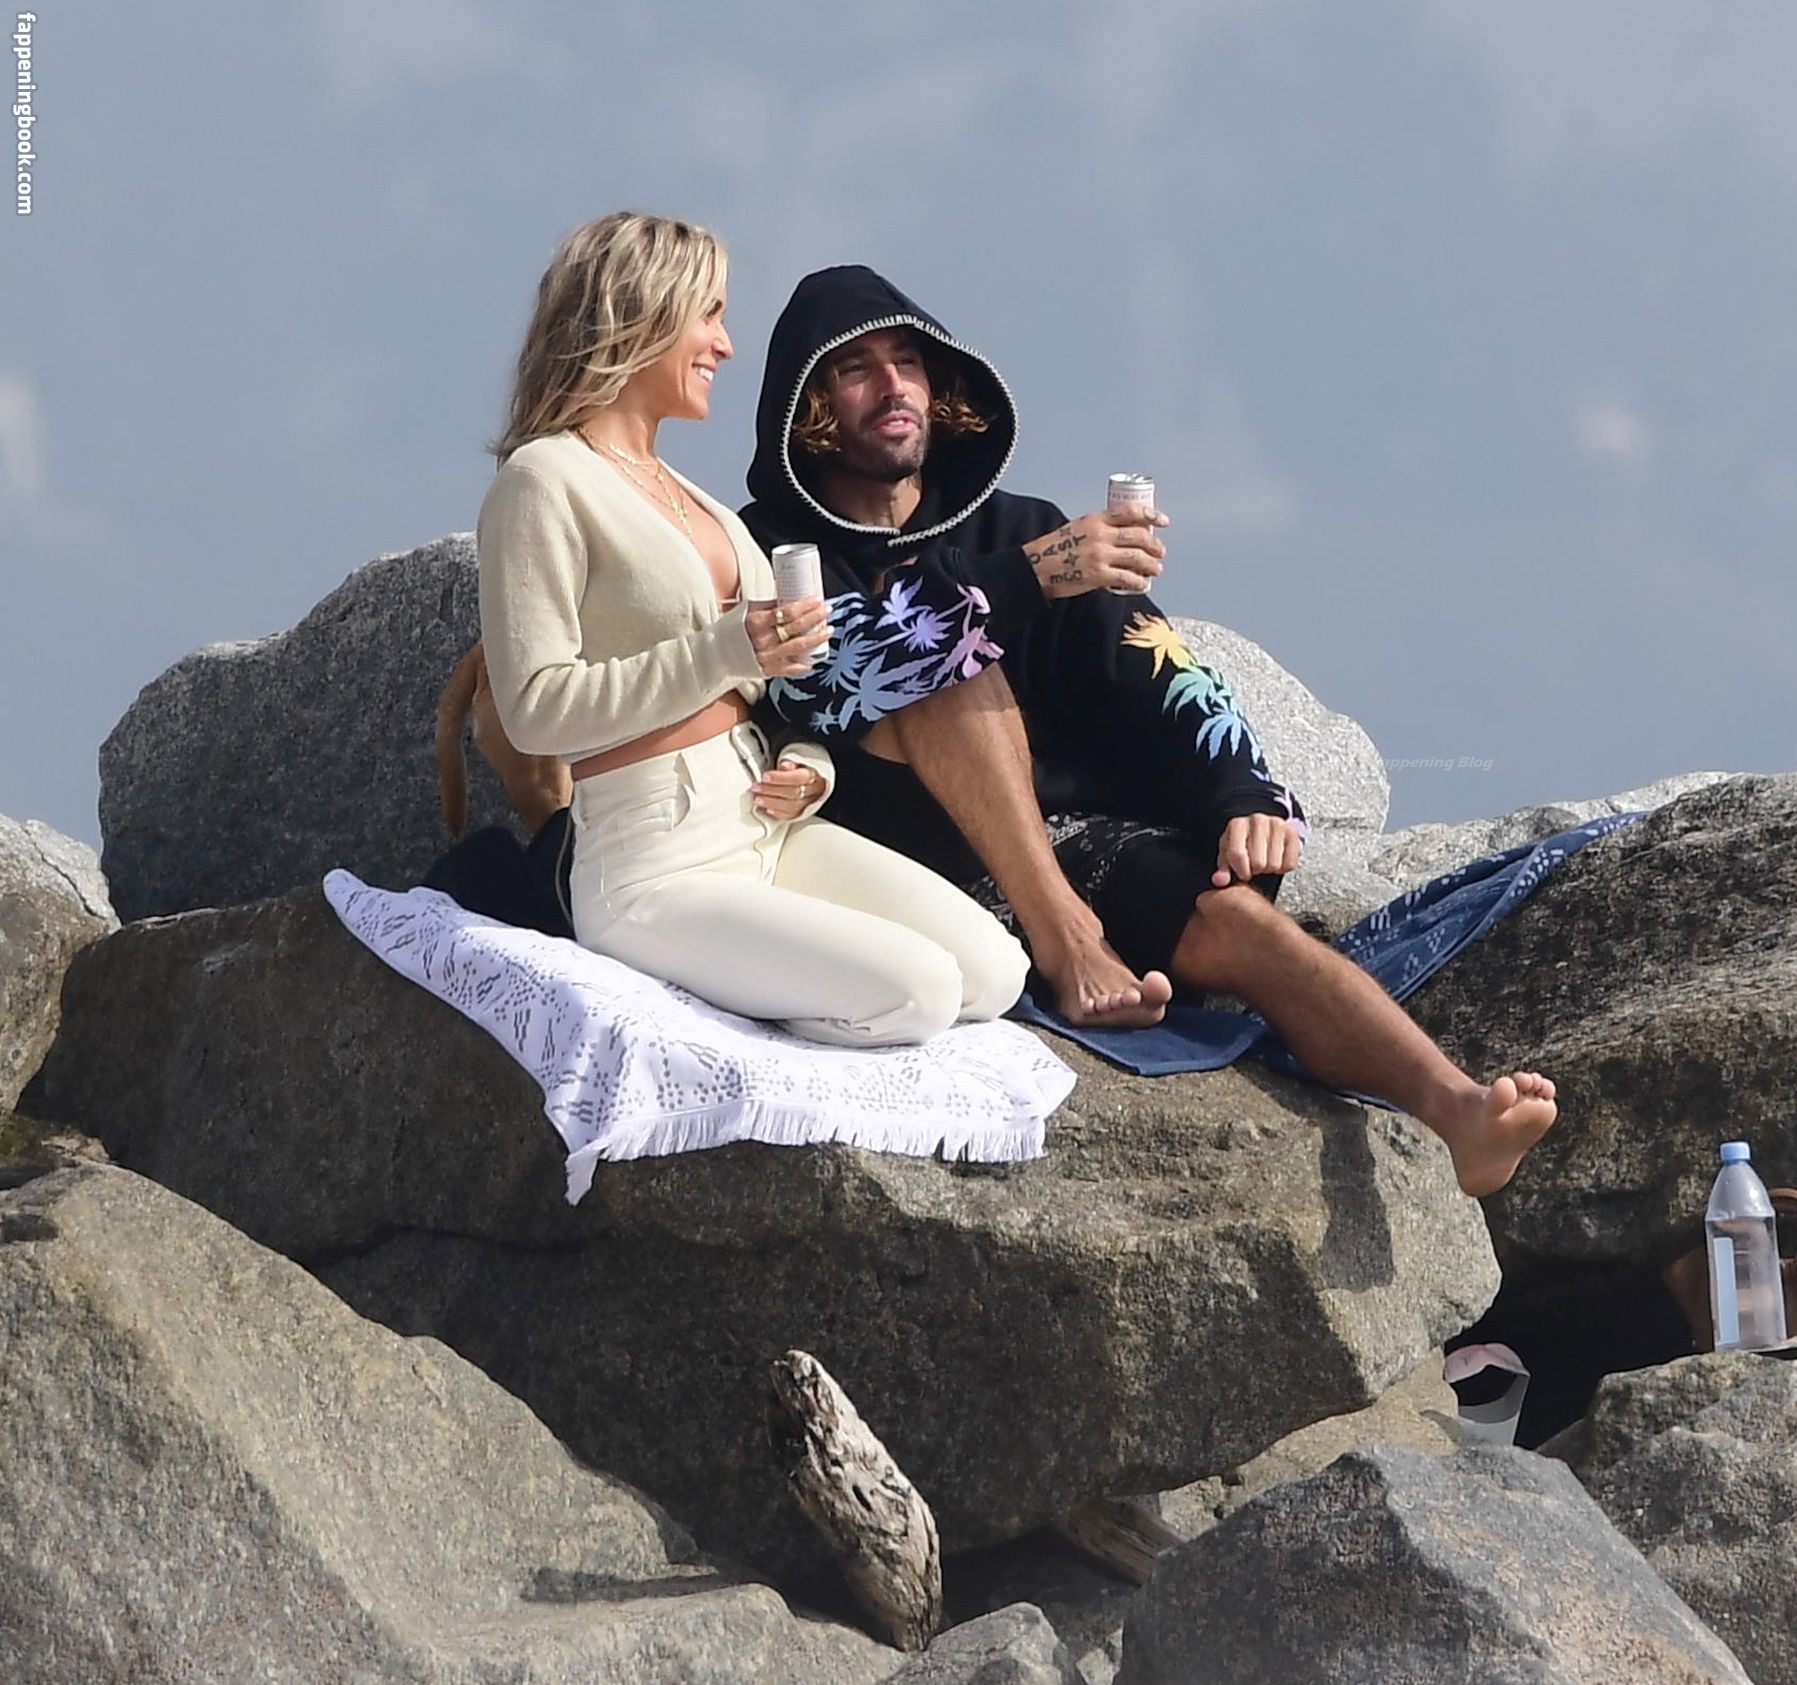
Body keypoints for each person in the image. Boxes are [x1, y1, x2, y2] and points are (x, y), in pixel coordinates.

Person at [738, 265, 1557, 1194]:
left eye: (910, 362)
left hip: (1068, 845)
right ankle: (1066, 942)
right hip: (897, 858)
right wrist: (1031, 575)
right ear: (811, 407)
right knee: (942, 664)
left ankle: (1456, 1112)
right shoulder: (770, 550)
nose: (894, 387)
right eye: (857, 370)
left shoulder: (1019, 526)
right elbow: (827, 681)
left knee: (1237, 923)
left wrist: (1243, 793)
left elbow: (1153, 657)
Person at [477, 218, 1028, 1046]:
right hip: (652, 866)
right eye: (709, 315)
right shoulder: (543, 480)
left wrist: (809, 765)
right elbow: (532, 709)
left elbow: (781, 695)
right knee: (919, 992)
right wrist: (725, 649)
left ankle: (751, 991)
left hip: (768, 828)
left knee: (994, 971)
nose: (725, 345)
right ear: (643, 312)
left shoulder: (695, 500)